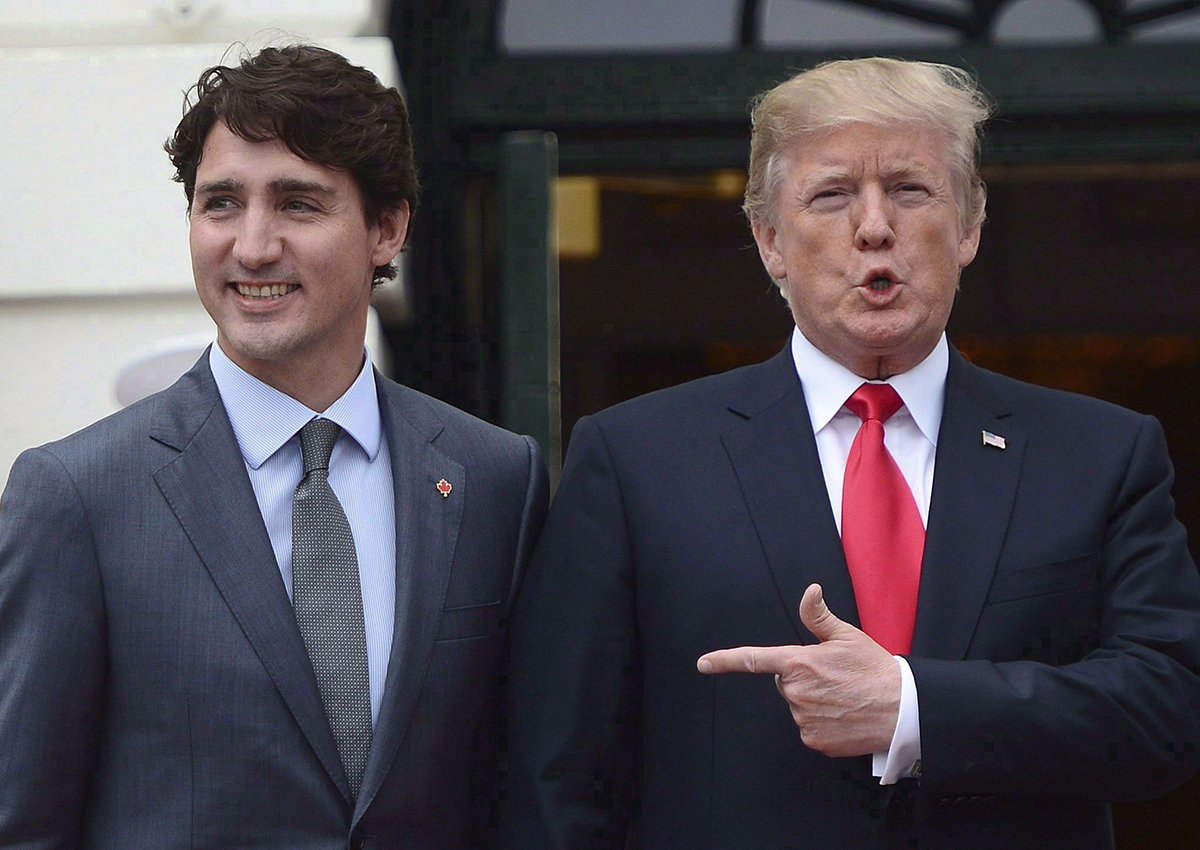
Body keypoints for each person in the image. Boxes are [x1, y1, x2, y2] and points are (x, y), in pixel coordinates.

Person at [503, 58, 1200, 848]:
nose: (874, 226)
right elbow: (556, 777)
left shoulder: (1099, 453)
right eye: (832, 195)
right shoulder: (636, 461)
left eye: (909, 189)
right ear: (769, 240)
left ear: (969, 227)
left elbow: (1170, 708)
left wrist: (913, 707)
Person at [0, 44, 547, 848]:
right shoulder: (78, 494)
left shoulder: (496, 478)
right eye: (221, 203)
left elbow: (521, 789)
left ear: (386, 228)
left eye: (297, 204)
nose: (252, 247)